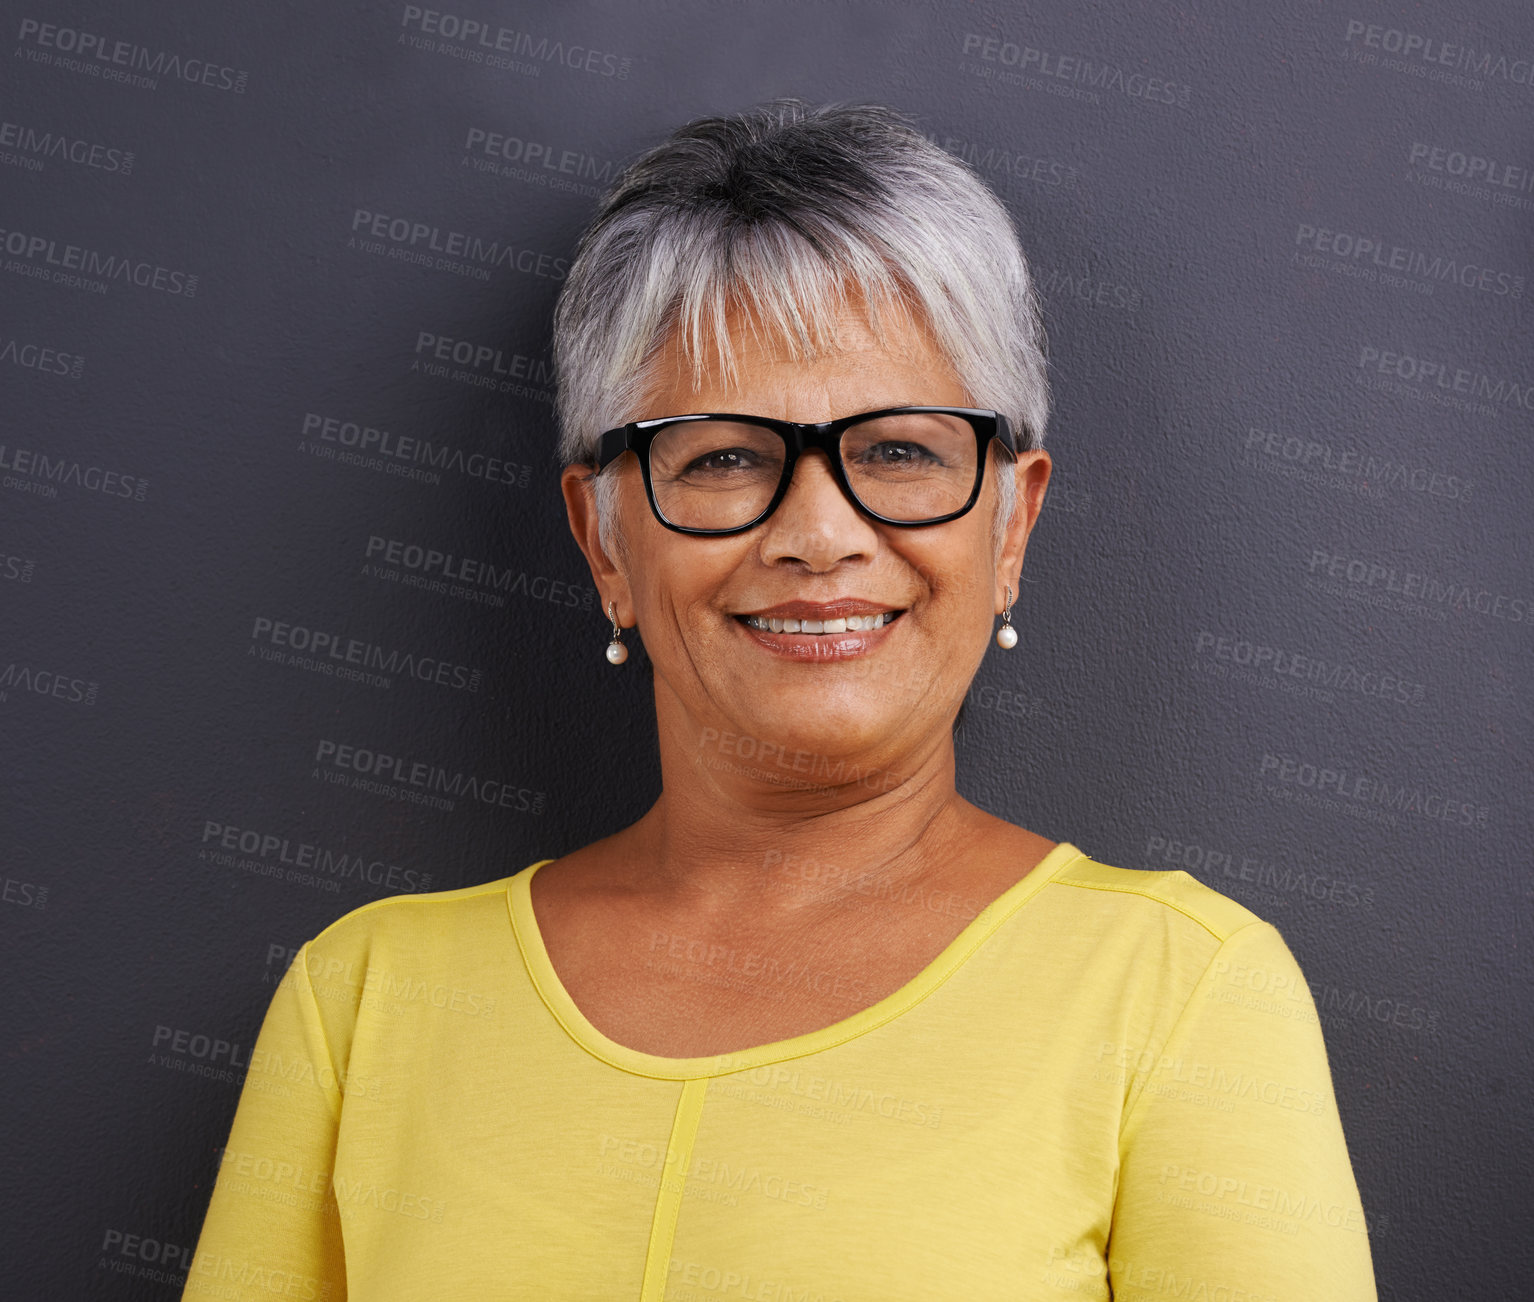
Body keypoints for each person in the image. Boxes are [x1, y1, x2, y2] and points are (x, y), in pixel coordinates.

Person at [181, 100, 1377, 1301]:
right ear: (603, 541)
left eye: (901, 451)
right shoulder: (366, 1003)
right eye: (723, 457)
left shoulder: (1178, 992)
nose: (818, 536)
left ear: (1011, 523)